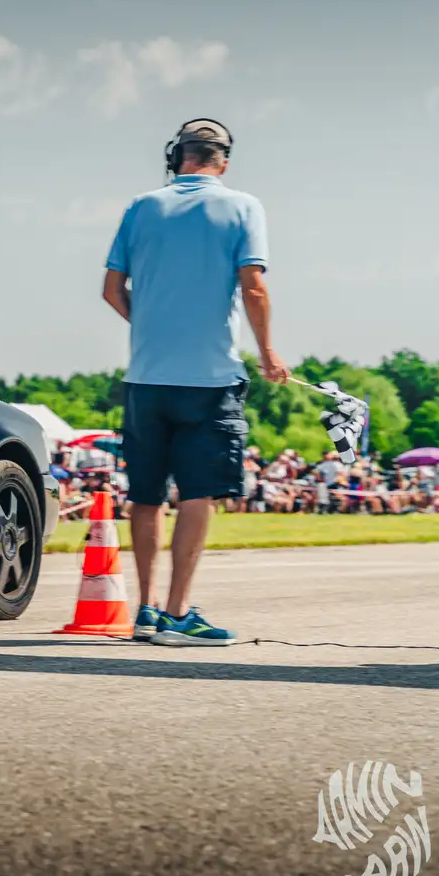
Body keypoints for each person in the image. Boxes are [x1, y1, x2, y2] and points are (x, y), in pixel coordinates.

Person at [102, 118, 289, 647]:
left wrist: (153, 327)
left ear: (176, 157)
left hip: (145, 379)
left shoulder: (141, 207)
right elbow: (253, 288)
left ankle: (144, 610)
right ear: (222, 161)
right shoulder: (243, 206)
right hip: (209, 380)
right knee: (197, 495)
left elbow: (113, 290)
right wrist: (268, 352)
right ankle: (179, 614)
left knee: (144, 496)